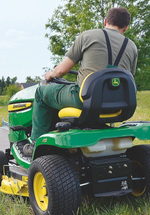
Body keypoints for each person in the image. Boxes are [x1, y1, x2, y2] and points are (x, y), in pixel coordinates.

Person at [24, 7, 138, 155]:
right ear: (126, 27)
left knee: (41, 92)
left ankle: (35, 143)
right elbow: (128, 78)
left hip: (84, 100)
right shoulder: (132, 46)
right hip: (119, 105)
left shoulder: (88, 36)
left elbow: (61, 71)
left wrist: (50, 74)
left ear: (105, 21)